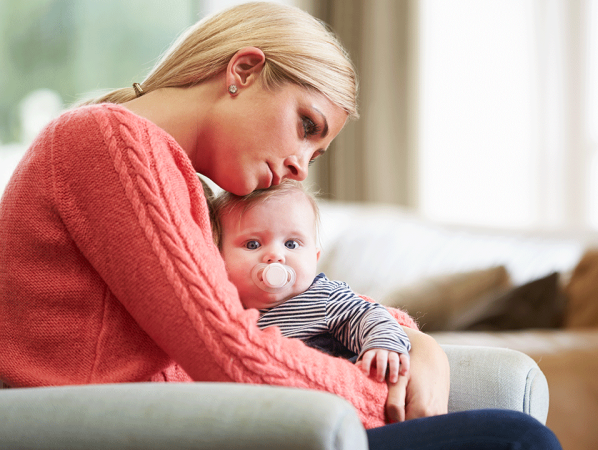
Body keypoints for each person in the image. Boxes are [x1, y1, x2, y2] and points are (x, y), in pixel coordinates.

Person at [0, 2, 560, 448]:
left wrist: (409, 339)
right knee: (513, 438)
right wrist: (384, 390)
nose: (299, 165)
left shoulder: (181, 184)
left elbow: (284, 305)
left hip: (194, 422)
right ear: (244, 69)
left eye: (315, 154)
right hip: (136, 431)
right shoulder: (107, 143)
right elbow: (229, 351)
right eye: (306, 125)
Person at [210, 180, 410, 383]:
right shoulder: (224, 310)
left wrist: (381, 344)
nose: (275, 255)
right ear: (219, 256)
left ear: (314, 258)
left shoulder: (324, 297)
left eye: (291, 244)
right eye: (253, 244)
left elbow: (369, 315)